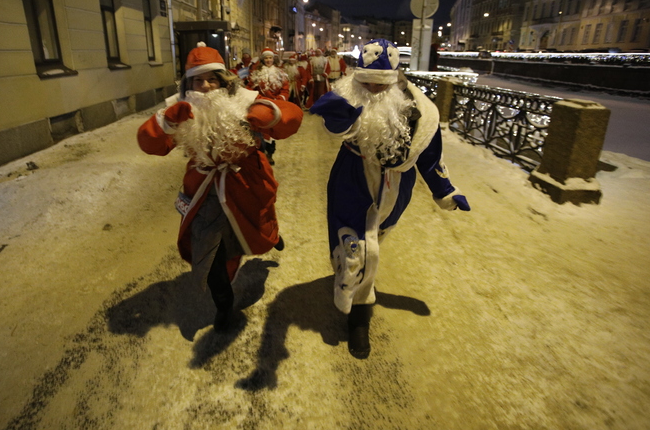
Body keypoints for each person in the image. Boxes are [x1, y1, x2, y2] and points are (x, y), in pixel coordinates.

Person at [309, 38, 470, 359]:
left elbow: (429, 154)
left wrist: (446, 191)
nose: (371, 90)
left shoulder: (421, 111)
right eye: (365, 82)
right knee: (356, 246)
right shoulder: (346, 96)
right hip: (351, 180)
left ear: (395, 81)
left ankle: (354, 292)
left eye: (379, 85)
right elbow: (335, 124)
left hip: (395, 189)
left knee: (373, 245)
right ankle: (359, 318)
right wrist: (337, 117)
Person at [137, 43, 303, 331]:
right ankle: (223, 304)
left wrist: (271, 112)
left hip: (246, 181)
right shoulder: (180, 107)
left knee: (257, 222)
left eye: (212, 78)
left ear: (223, 79)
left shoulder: (244, 99)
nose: (205, 86)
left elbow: (291, 118)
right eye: (198, 80)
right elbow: (149, 142)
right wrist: (165, 122)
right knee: (209, 247)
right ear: (188, 83)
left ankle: (271, 233)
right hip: (202, 187)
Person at [247, 48, 290, 164]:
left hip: (274, 105)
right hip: (260, 105)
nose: (268, 60)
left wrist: (280, 99)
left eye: (270, 58)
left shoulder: (280, 73)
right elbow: (250, 87)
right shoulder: (257, 73)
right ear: (262, 60)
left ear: (273, 59)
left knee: (271, 131)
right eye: (266, 58)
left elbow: (285, 89)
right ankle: (261, 154)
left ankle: (270, 154)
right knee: (260, 130)